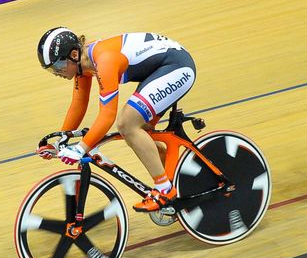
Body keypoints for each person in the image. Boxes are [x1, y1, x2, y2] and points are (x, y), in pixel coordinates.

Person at [36, 28, 196, 212]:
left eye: (58, 65)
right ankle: (182, 179)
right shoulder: (83, 64)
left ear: (73, 55)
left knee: (127, 124)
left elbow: (107, 116)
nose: (57, 72)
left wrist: (80, 149)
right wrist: (60, 142)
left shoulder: (104, 60)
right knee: (141, 134)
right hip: (161, 69)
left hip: (177, 67)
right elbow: (78, 105)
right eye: (51, 70)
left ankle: (164, 190)